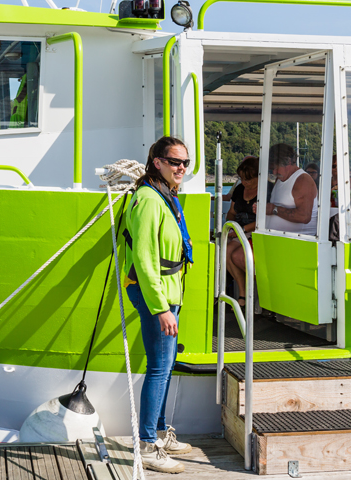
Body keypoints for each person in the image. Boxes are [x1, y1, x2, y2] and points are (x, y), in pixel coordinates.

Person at [123, 137, 193, 473]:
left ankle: (162, 434)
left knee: (164, 367)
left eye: (185, 163)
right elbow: (145, 257)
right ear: (157, 163)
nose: (181, 168)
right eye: (174, 161)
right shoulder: (150, 200)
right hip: (157, 295)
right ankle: (148, 445)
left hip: (166, 291)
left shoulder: (163, 195)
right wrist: (161, 308)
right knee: (158, 368)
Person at [224, 157, 259, 309]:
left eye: (249, 179)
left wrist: (241, 230)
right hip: (238, 230)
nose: (244, 182)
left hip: (253, 231)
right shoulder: (239, 190)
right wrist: (230, 227)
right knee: (225, 253)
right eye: (242, 179)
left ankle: (251, 292)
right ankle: (243, 293)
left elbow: (263, 219)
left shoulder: (266, 190)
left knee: (236, 256)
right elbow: (232, 212)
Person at [266, 144, 318, 234]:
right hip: (277, 238)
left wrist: (274, 209)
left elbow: (304, 217)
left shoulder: (303, 180)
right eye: (272, 169)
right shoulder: (280, 178)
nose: (274, 172)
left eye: (276, 168)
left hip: (297, 241)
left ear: (289, 162)